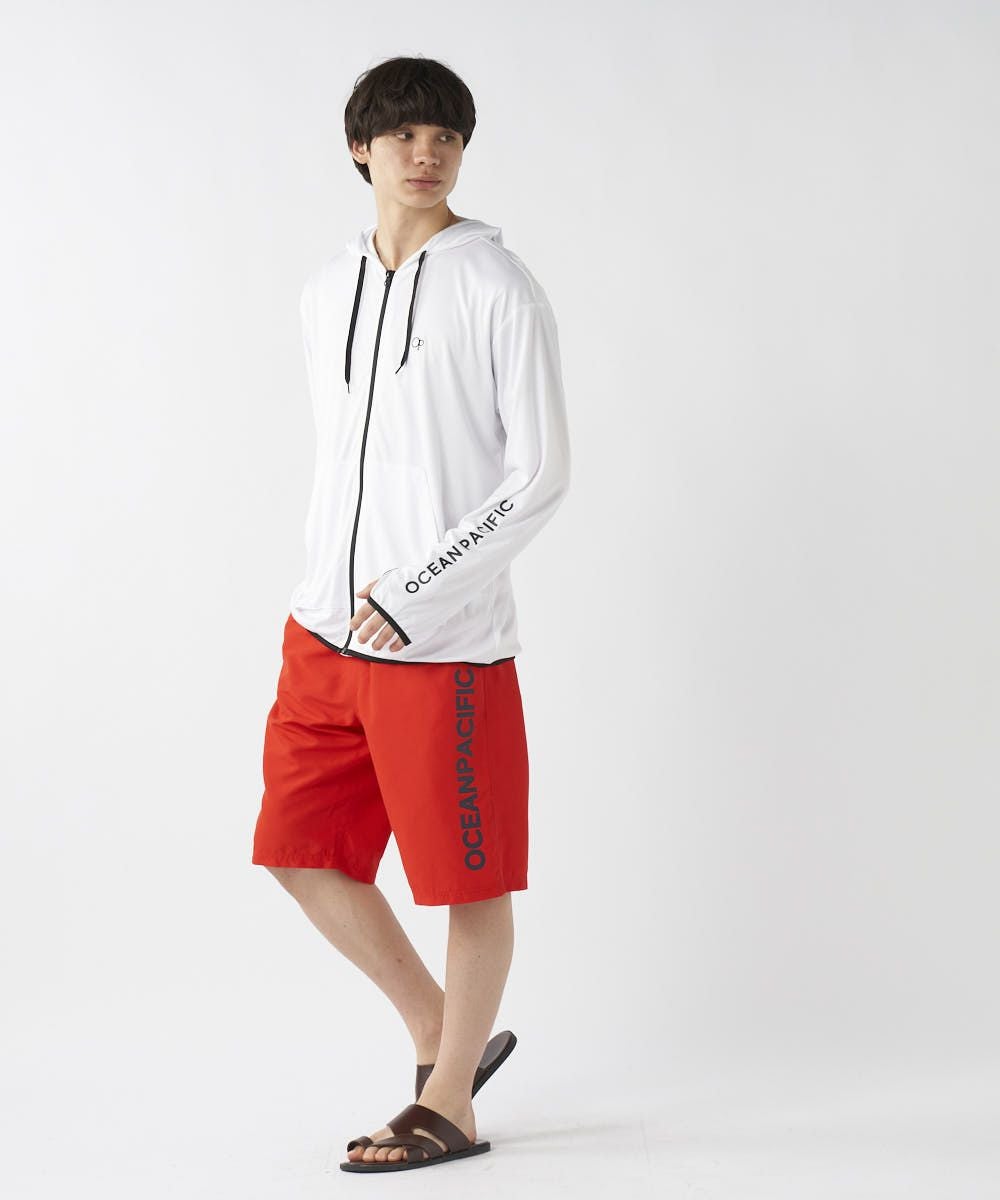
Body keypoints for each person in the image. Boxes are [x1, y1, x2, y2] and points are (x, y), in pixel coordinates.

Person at [250, 54, 571, 1174]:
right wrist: (332, 591)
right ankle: (444, 1035)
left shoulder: (500, 288)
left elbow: (539, 475)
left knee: (466, 877)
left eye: (445, 138)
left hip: (445, 647)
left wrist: (419, 587)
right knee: (297, 849)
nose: (425, 155)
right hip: (323, 632)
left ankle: (451, 1106)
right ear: (361, 150)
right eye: (403, 137)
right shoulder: (323, 290)